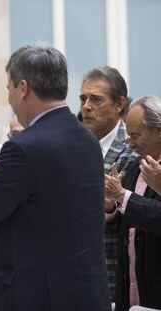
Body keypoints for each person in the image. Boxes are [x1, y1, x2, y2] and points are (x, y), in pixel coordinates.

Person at [0, 44, 110, 310]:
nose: (11, 100)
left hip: (34, 296)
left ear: (23, 88)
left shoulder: (22, 147)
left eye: (9, 90)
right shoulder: (87, 139)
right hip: (84, 293)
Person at [79, 66, 137, 302]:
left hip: (114, 274)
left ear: (119, 104)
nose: (86, 106)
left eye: (96, 99)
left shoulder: (133, 149)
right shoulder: (73, 144)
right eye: (83, 99)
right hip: (71, 274)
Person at [105, 95, 161, 311]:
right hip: (131, 288)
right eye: (128, 137)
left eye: (135, 136)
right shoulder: (136, 166)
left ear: (158, 130)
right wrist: (110, 204)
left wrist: (121, 196)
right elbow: (125, 218)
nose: (131, 144)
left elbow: (156, 216)